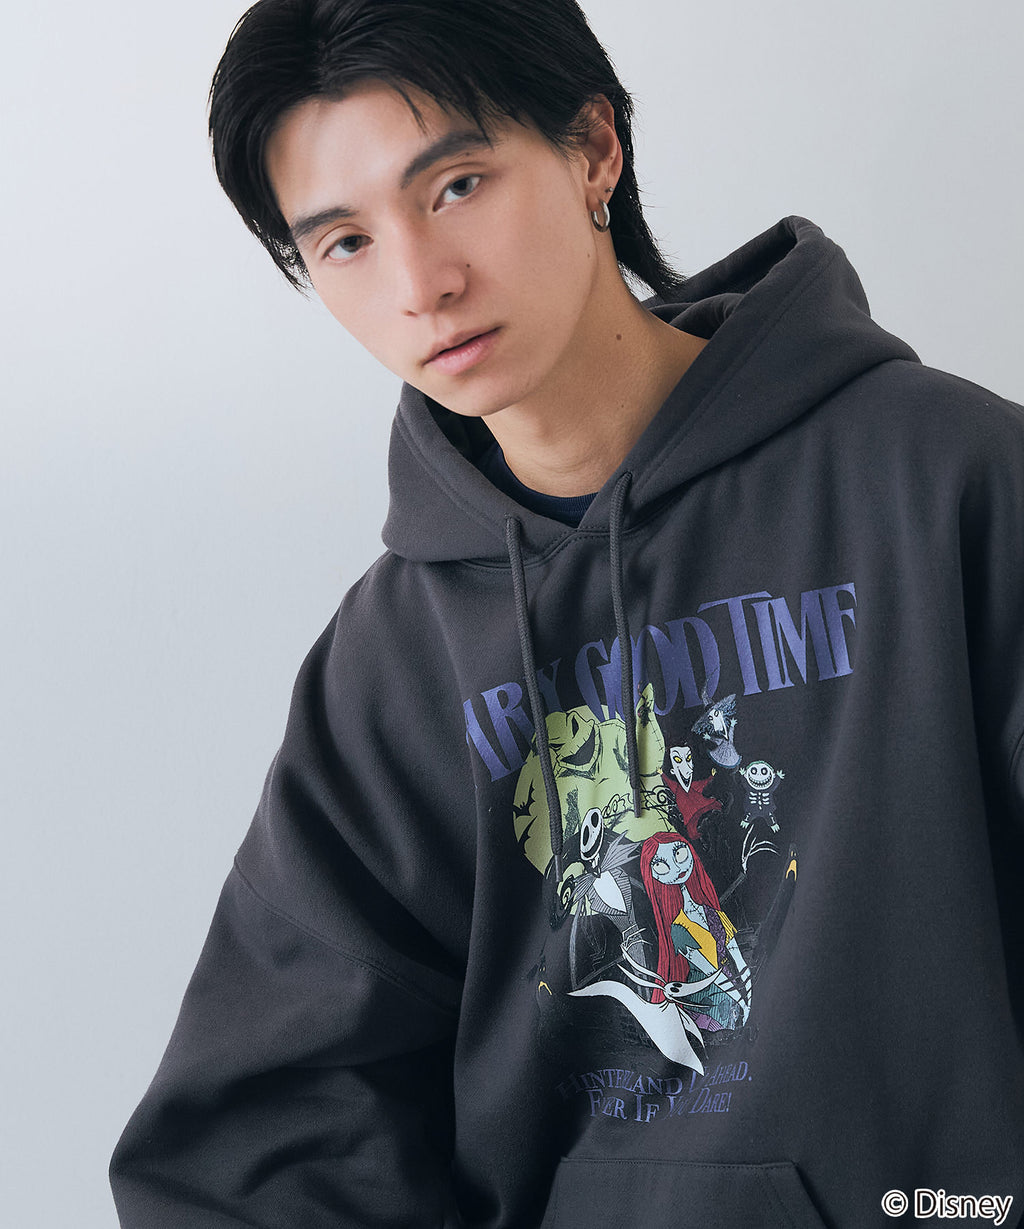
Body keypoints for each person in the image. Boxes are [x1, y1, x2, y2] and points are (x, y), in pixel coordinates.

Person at [110, 0, 1024, 1225]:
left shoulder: (948, 482)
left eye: (457, 187)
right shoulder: (395, 654)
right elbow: (260, 1137)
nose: (422, 285)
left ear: (594, 149)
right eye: (345, 242)